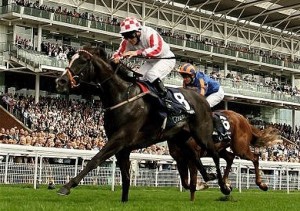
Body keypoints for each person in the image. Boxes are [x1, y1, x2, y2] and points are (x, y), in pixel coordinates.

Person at [112, 17, 176, 109]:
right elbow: (119, 53)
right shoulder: (127, 41)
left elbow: (158, 49)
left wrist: (136, 52)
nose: (129, 39)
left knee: (151, 74)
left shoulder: (150, 33)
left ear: (138, 32)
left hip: (166, 58)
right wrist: (116, 58)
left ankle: (167, 100)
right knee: (138, 77)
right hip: (150, 61)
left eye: (130, 36)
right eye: (126, 36)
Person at [178, 63, 231, 141]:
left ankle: (222, 132)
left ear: (192, 75)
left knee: (203, 108)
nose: (184, 79)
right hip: (206, 94)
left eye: (186, 76)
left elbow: (201, 95)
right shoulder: (185, 82)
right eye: (183, 76)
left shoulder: (200, 78)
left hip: (216, 92)